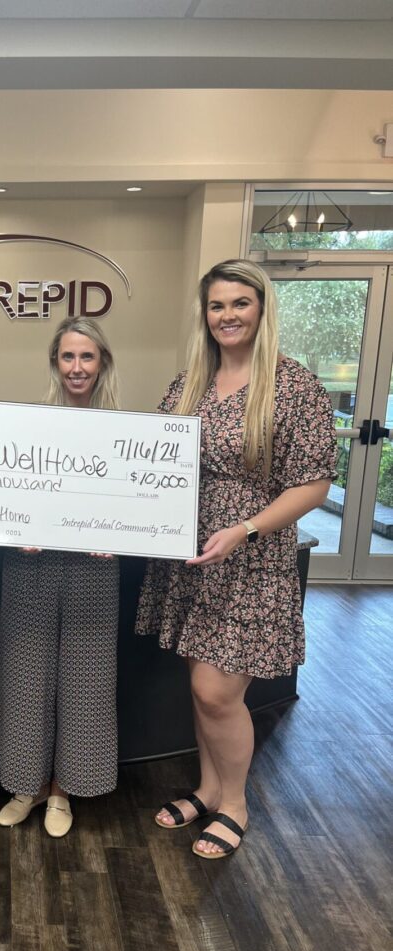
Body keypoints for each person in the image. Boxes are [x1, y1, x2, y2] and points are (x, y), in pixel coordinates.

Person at [136, 259, 337, 858]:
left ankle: (235, 804)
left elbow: (314, 484)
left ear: (261, 308)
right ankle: (206, 788)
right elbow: (153, 458)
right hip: (192, 556)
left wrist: (245, 529)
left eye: (239, 303)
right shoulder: (190, 382)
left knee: (217, 692)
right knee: (200, 689)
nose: (227, 315)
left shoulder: (294, 386)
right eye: (217, 305)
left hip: (250, 559)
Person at [0, 317, 121, 838]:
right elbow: (2, 495)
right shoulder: (29, 426)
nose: (77, 367)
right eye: (68, 357)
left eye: (87, 357)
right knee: (25, 673)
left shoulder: (125, 431)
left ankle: (64, 789)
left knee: (85, 677)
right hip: (31, 562)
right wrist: (7, 526)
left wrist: (125, 535)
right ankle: (28, 784)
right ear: (55, 363)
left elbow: (140, 506)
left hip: (95, 567)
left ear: (102, 362)